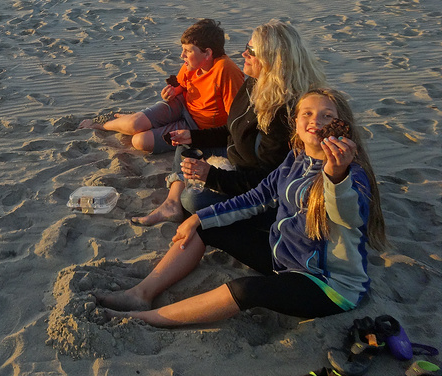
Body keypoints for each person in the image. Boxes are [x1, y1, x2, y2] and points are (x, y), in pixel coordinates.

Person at [95, 89, 387, 327]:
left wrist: (336, 177)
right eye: (307, 113)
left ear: (341, 125)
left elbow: (348, 216)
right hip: (283, 258)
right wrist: (198, 218)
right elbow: (256, 199)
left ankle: (147, 319)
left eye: (327, 116)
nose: (316, 120)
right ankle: (141, 294)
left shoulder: (351, 174)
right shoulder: (295, 160)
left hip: (327, 285)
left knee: (247, 289)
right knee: (208, 227)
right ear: (296, 122)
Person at [132, 20, 326, 225]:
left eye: (251, 51)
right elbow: (234, 128)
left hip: (253, 181)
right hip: (237, 155)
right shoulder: (255, 83)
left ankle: (186, 203)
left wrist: (213, 177)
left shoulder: (285, 113)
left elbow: (267, 180)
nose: (244, 54)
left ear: (272, 59)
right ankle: (171, 203)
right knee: (186, 140)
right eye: (246, 47)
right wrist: (195, 136)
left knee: (193, 199)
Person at [79, 19, 244, 154]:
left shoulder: (225, 70)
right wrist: (171, 93)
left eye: (187, 51)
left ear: (207, 53)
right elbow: (181, 86)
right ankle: (102, 124)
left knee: (139, 141)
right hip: (181, 105)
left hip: (196, 126)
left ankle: (136, 118)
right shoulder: (192, 65)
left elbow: (236, 117)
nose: (182, 55)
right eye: (182, 49)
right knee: (134, 125)